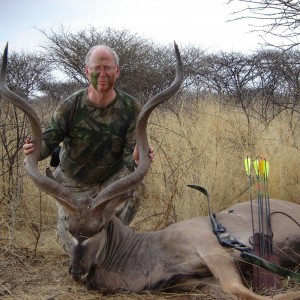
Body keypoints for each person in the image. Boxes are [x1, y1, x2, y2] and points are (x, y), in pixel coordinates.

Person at [23, 45, 154, 253]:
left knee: (136, 188)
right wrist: (34, 148)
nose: (102, 73)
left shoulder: (131, 106)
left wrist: (138, 158)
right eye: (97, 68)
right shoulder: (71, 105)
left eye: (108, 68)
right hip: (73, 184)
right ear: (87, 71)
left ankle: (112, 243)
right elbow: (48, 142)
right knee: (74, 247)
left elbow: (131, 156)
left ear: (117, 71)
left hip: (110, 182)